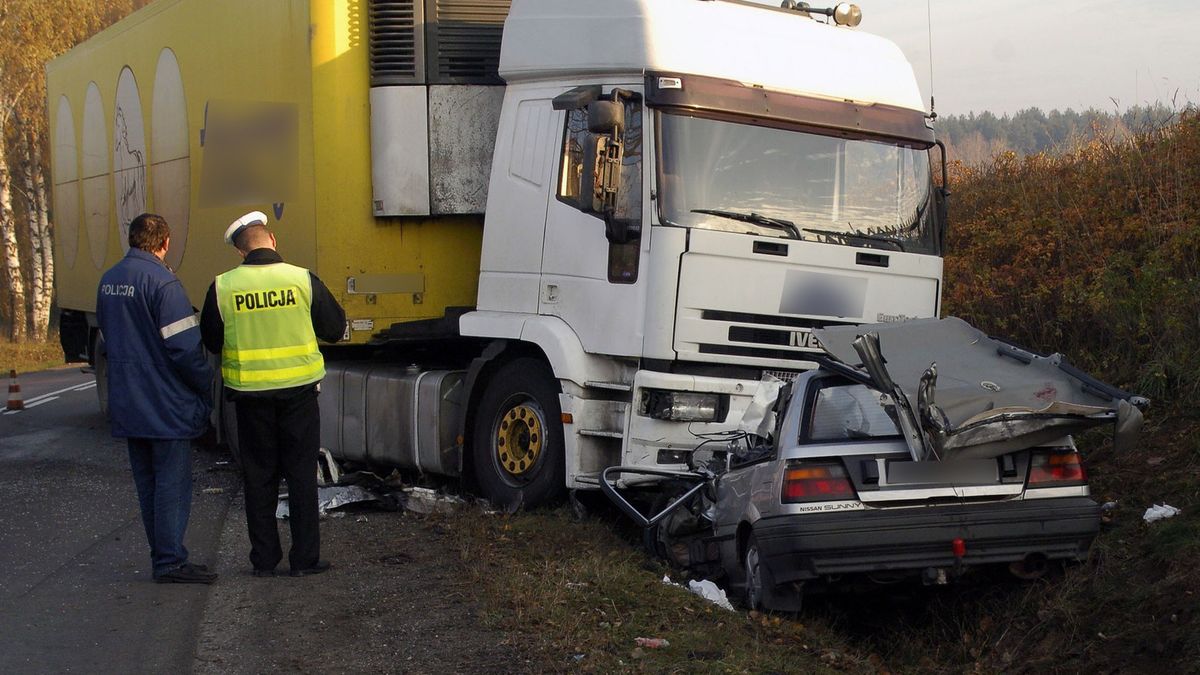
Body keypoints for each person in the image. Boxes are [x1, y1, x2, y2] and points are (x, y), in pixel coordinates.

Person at [200, 211, 345, 577]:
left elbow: (211, 341)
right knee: (300, 477)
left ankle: (264, 561)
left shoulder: (223, 287)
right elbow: (334, 327)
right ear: (273, 240)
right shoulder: (301, 279)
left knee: (259, 478)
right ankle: (304, 560)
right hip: (299, 396)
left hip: (250, 398)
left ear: (239, 253)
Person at [96, 212, 217, 584]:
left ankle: (163, 556)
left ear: (131, 239)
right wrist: (206, 382)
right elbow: (183, 348)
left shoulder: (109, 281)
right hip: (165, 401)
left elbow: (107, 336)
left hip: (129, 401)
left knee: (147, 483)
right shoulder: (164, 284)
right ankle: (169, 561)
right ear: (166, 243)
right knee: (171, 482)